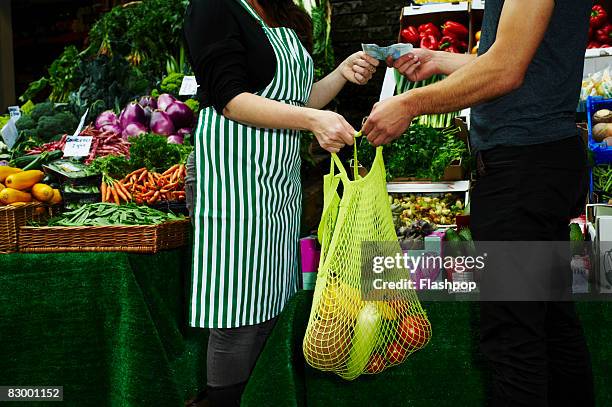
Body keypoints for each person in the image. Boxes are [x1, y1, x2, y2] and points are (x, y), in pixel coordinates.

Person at [362, 1, 594, 406]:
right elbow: (517, 57)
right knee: (552, 326)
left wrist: (409, 104)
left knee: (513, 338)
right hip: (540, 160)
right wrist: (436, 59)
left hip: (522, 168)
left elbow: (506, 69)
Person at [183, 0, 379, 405]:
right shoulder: (213, 7)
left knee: (270, 307)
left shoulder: (281, 11)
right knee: (236, 314)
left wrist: (340, 74)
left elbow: (298, 100)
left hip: (277, 184)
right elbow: (231, 99)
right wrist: (313, 122)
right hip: (230, 181)